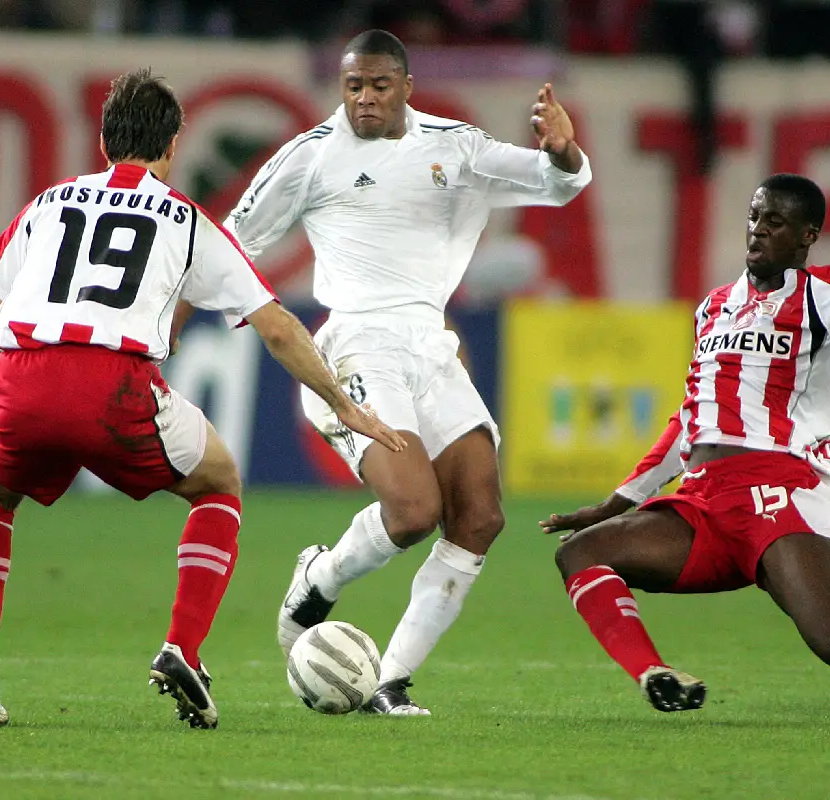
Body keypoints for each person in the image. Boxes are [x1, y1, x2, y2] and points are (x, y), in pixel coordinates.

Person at [0, 68, 405, 729]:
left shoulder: (44, 207)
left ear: (104, 141)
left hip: (24, 379)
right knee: (218, 483)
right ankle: (182, 649)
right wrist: (345, 404)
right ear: (173, 145)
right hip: (112, 387)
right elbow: (277, 328)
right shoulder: (188, 222)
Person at [541, 174, 830, 713]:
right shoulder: (713, 307)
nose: (759, 230)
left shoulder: (827, 295)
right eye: (754, 217)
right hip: (704, 500)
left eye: (775, 221)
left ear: (807, 235)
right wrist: (618, 501)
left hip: (778, 491)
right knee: (582, 551)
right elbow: (690, 416)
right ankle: (655, 674)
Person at [224, 29, 591, 714]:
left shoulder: (457, 147)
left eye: (378, 85)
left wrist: (563, 150)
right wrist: (253, 314)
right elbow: (230, 241)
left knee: (479, 516)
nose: (364, 98)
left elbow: (558, 183)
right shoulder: (310, 156)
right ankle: (320, 577)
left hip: (430, 346)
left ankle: (388, 682)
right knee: (415, 511)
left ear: (406, 87)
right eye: (353, 86)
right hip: (357, 344)